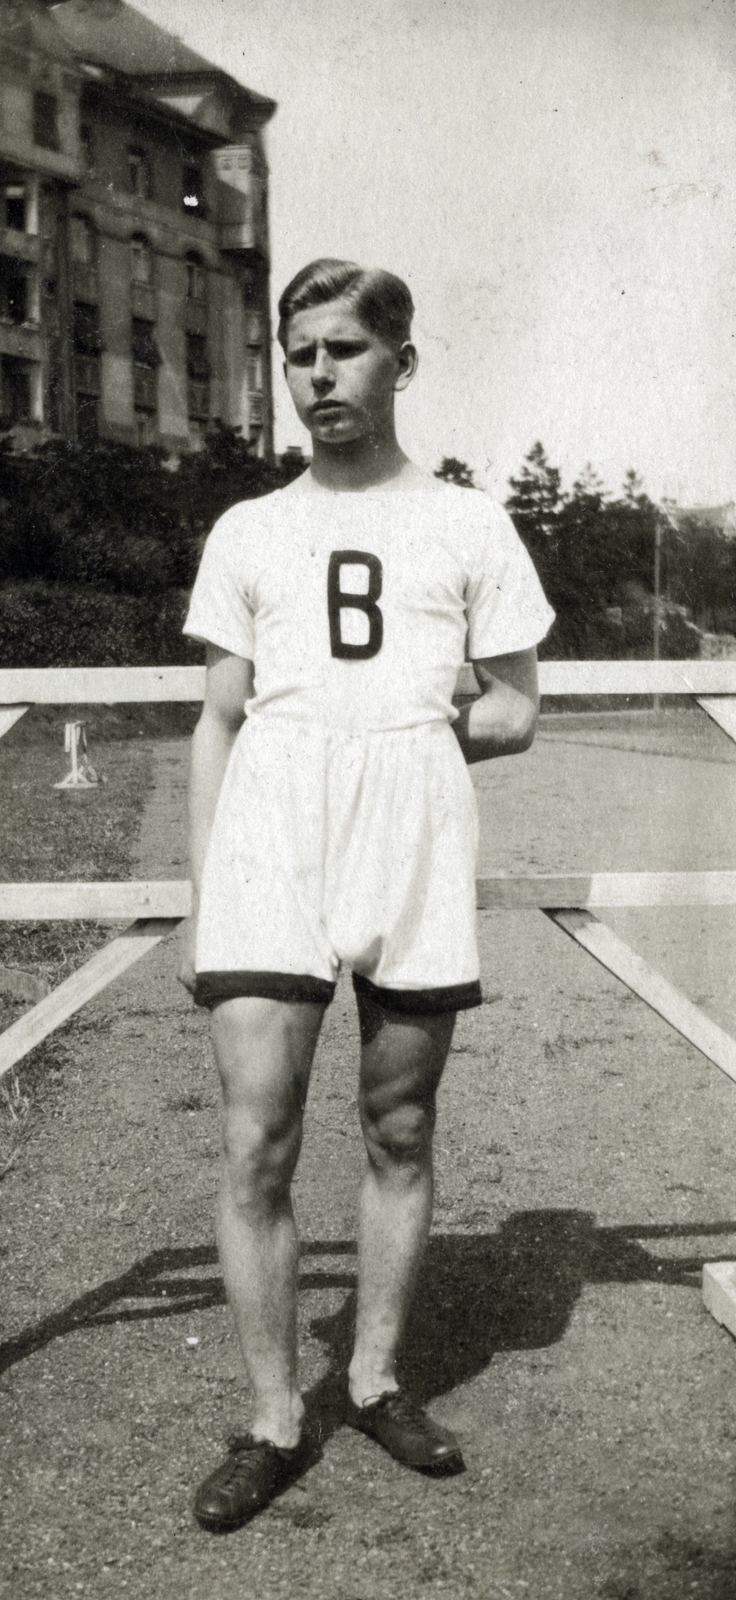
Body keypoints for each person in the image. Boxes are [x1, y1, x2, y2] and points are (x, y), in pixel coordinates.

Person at [179, 259, 555, 1532]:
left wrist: (453, 717)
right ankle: (276, 1415)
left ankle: (379, 1377)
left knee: (400, 1126)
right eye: (300, 355)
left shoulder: (466, 521)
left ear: (403, 359)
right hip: (272, 838)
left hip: (410, 829)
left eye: (344, 350)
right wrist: (206, 892)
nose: (319, 377)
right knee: (255, 1139)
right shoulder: (248, 528)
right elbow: (218, 720)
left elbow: (516, 704)